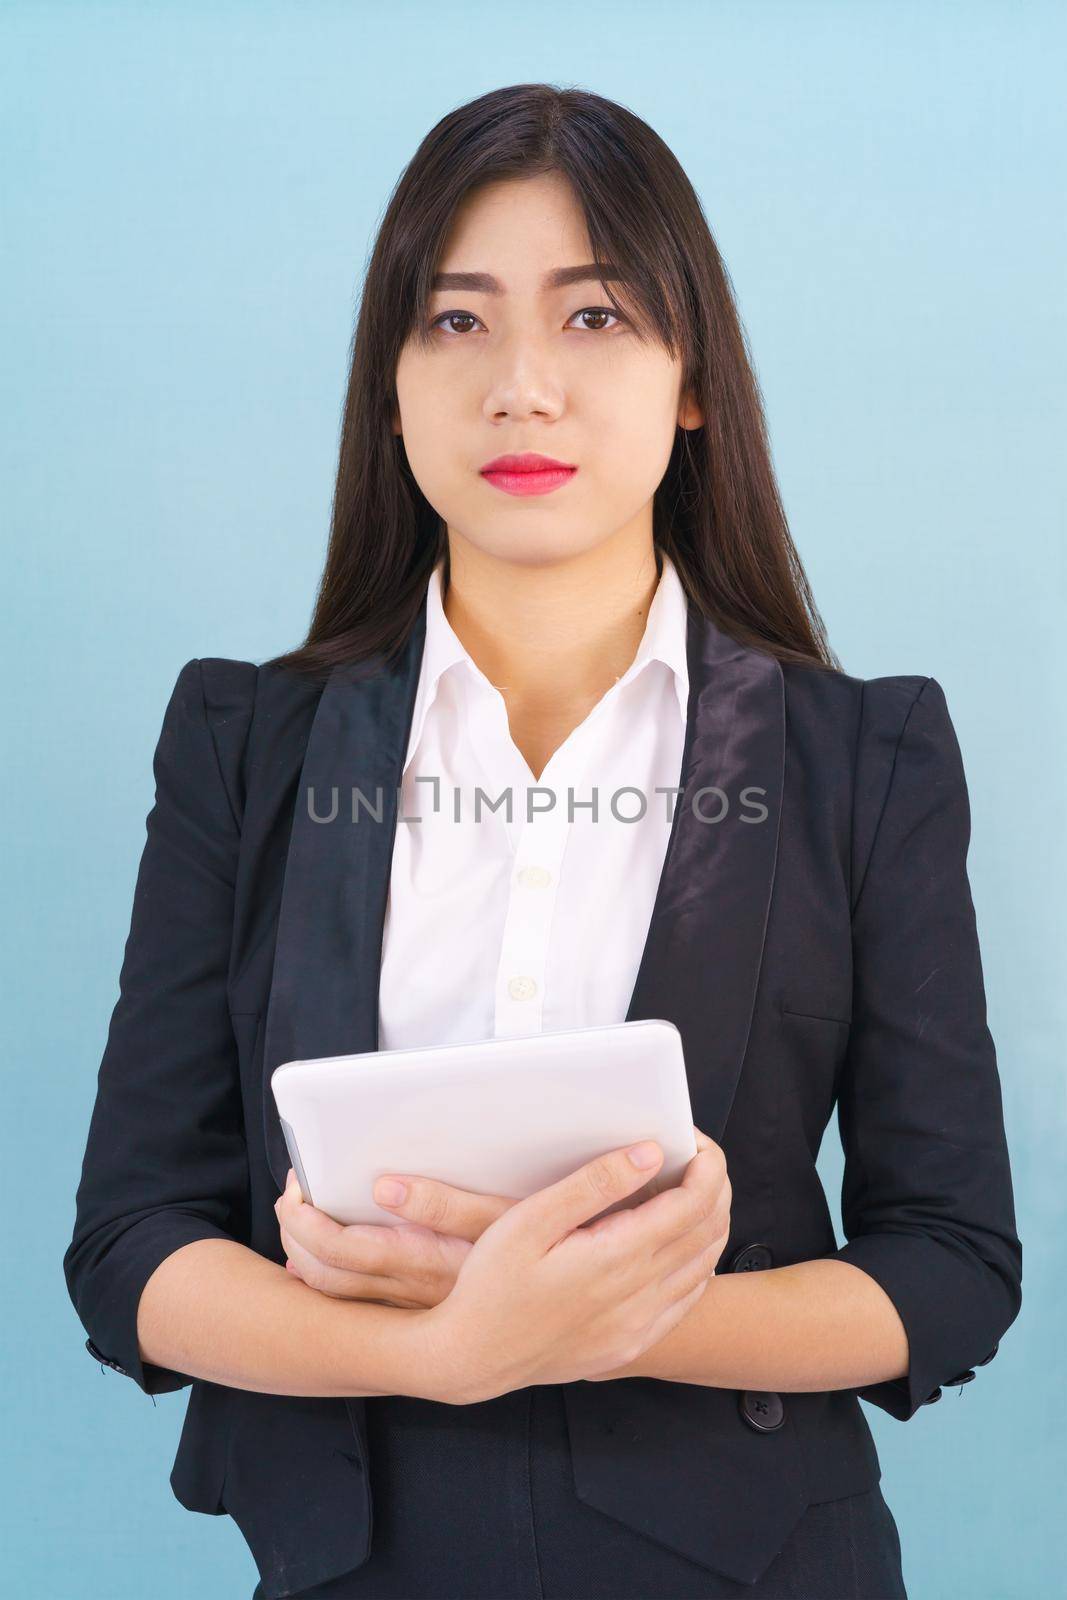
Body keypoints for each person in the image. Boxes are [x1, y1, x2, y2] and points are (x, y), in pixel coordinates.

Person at [64, 83, 1022, 1600]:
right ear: (388, 383)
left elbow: (953, 1267)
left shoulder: (864, 758)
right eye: (456, 322)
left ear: (690, 377)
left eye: (594, 319)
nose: (522, 386)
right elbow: (131, 1247)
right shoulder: (247, 746)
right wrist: (444, 1352)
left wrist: (605, 1314)